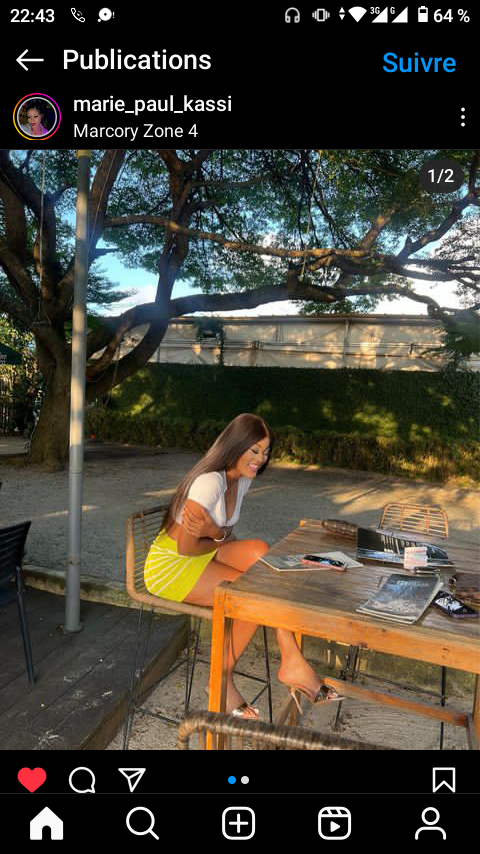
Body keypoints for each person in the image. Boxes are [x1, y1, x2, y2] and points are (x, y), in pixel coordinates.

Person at [145, 413, 342, 718]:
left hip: (203, 554)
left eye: (266, 452)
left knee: (260, 552)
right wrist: (216, 535)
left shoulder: (242, 480)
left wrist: (218, 535)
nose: (261, 459)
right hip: (172, 567)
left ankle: (291, 657)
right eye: (255, 450)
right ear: (235, 446)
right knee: (251, 596)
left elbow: (225, 534)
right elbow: (186, 548)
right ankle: (222, 681)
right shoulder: (208, 483)